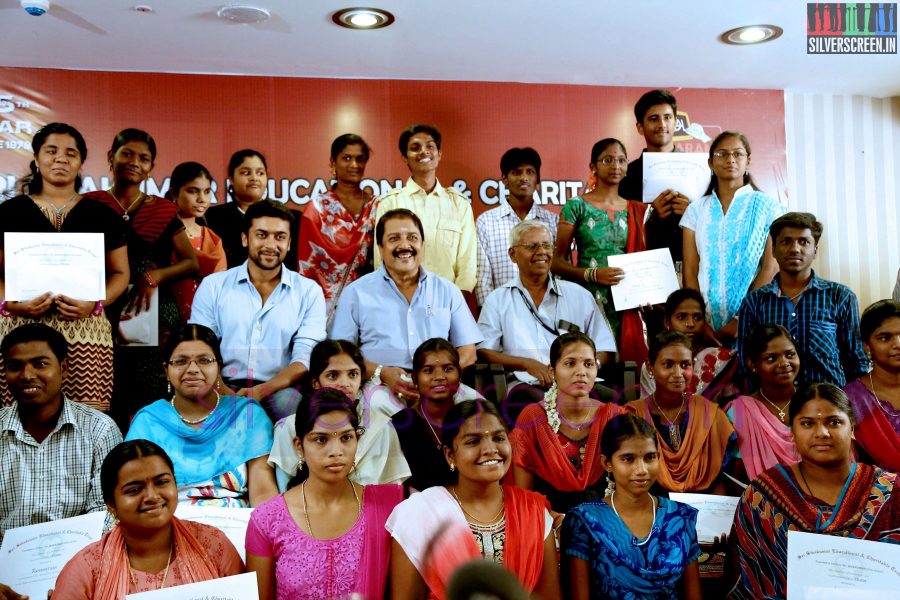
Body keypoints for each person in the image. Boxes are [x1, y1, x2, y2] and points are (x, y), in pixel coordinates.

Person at [0, 122, 129, 411]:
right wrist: (11, 304)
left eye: (71, 153)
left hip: (85, 330)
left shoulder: (103, 214)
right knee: (19, 418)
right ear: (36, 159)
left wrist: (95, 304)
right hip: (20, 327)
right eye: (51, 151)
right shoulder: (8, 212)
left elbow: (121, 273)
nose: (61, 158)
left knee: (86, 419)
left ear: (81, 161)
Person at [728, 383, 900, 600]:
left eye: (834, 422)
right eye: (807, 423)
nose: (822, 433)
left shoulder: (890, 492)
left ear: (853, 429)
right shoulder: (763, 497)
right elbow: (753, 582)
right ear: (793, 431)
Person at [386, 400, 561, 600]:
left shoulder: (533, 512)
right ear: (450, 455)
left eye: (499, 438)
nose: (490, 449)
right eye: (473, 441)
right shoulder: (419, 515)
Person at [83, 128, 199, 423]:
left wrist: (156, 276)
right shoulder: (89, 205)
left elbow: (191, 263)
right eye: (127, 154)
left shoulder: (161, 210)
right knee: (104, 389)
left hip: (152, 309)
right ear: (111, 158)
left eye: (144, 158)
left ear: (151, 167)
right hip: (100, 307)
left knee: (148, 392)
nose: (135, 162)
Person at [245, 389, 403, 600]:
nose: (336, 451)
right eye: (321, 439)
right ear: (299, 446)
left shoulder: (387, 510)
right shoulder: (267, 520)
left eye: (346, 437)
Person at [51, 440, 243, 599]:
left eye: (162, 482)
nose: (152, 496)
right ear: (111, 504)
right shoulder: (87, 569)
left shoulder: (213, 545)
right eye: (134, 490)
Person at [190, 200, 327, 421]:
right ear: (245, 238)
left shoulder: (308, 292)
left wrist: (261, 391)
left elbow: (305, 358)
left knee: (289, 405)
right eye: (262, 235)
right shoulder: (214, 286)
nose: (271, 245)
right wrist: (224, 391)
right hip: (218, 383)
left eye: (280, 237)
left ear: (290, 243)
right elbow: (201, 348)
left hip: (278, 388)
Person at [330, 208, 482, 406]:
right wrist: (381, 372)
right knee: (383, 415)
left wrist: (440, 378)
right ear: (380, 248)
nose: (405, 245)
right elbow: (342, 355)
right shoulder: (356, 293)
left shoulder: (447, 290)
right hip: (381, 384)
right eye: (394, 238)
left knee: (481, 413)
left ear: (422, 245)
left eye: (412, 237)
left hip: (443, 385)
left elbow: (468, 351)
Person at [478, 220, 616, 424]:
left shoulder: (579, 295)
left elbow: (605, 348)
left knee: (611, 404)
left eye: (546, 245)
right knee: (534, 408)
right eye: (532, 246)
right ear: (513, 255)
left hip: (579, 383)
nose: (541, 251)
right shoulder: (498, 299)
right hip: (527, 384)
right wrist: (526, 364)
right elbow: (484, 351)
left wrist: (587, 367)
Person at [125, 324, 277, 507]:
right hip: (169, 525)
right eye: (181, 361)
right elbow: (137, 494)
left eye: (204, 360)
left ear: (218, 367)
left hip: (238, 525)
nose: (192, 369)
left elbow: (263, 493)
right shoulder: (148, 422)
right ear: (166, 370)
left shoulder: (247, 416)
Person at [0, 323, 122, 545]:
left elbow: (108, 510)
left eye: (40, 364)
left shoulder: (99, 430)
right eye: (15, 366)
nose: (27, 375)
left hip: (84, 562)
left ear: (63, 369)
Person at [562, 414, 702, 600]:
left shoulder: (681, 517)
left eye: (649, 457)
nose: (641, 469)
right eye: (628, 459)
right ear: (607, 463)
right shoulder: (585, 522)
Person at [738, 212, 868, 388]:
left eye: (803, 242)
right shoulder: (754, 302)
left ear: (815, 250)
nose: (795, 249)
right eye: (786, 241)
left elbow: (856, 362)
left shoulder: (840, 297)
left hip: (828, 404)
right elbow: (746, 364)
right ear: (774, 249)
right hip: (773, 407)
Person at [552, 138, 649, 363]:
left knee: (627, 367)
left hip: (628, 300)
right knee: (591, 363)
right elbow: (556, 263)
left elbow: (645, 260)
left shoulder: (637, 210)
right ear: (593, 167)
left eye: (621, 160)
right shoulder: (576, 206)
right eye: (608, 160)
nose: (615, 166)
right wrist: (592, 274)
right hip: (588, 298)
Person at [268, 339, 410, 491]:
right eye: (333, 376)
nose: (345, 383)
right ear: (316, 383)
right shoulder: (288, 428)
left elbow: (393, 491)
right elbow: (284, 495)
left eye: (353, 374)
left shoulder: (382, 426)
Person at [681, 130, 782, 342]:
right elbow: (690, 270)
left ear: (748, 161)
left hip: (755, 315)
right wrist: (699, 320)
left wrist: (741, 318)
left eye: (738, 154)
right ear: (710, 163)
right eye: (722, 154)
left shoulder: (768, 207)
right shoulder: (696, 210)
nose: (730, 160)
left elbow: (770, 268)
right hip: (705, 324)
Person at [511, 332, 626, 513]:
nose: (581, 372)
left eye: (588, 364)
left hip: (605, 523)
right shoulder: (533, 418)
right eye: (570, 363)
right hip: (548, 523)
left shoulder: (613, 417)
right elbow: (523, 495)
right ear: (552, 371)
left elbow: (627, 487)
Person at [627, 331, 736, 494]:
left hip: (705, 508)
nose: (678, 374)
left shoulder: (711, 414)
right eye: (668, 364)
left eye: (685, 365)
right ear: (650, 367)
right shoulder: (633, 415)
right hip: (651, 507)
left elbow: (720, 479)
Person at [374, 124, 477, 293]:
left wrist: (456, 301)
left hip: (448, 300)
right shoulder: (389, 203)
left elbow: (468, 263)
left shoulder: (460, 204)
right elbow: (381, 260)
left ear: (439, 154)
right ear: (405, 158)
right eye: (415, 148)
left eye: (430, 146)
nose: (423, 152)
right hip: (400, 298)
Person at [297, 134, 379, 322]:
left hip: (370, 303)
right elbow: (308, 266)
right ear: (333, 163)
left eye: (360, 158)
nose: (354, 165)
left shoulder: (377, 206)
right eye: (346, 158)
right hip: (324, 308)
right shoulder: (316, 208)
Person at [390, 338, 482, 492]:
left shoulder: (473, 417)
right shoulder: (399, 424)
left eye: (448, 369)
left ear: (459, 375)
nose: (439, 376)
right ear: (415, 379)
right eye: (428, 370)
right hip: (421, 510)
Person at [474, 147, 559, 305]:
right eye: (516, 172)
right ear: (505, 179)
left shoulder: (553, 222)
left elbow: (560, 274)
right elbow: (482, 280)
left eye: (530, 172)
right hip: (502, 313)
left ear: (538, 179)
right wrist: (491, 315)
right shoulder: (486, 222)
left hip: (548, 313)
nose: (524, 178)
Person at [618, 90, 691, 266]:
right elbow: (617, 231)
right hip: (645, 268)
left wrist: (693, 213)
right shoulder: (626, 176)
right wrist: (649, 215)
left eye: (667, 117)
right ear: (640, 127)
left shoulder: (700, 169)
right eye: (653, 119)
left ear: (676, 123)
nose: (662, 124)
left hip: (694, 270)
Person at [725, 324, 800, 482]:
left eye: (790, 354)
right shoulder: (740, 412)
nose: (784, 363)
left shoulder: (815, 404)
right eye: (771, 358)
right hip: (762, 500)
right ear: (753, 364)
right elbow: (736, 474)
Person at [205, 149, 300, 270]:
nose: (254, 178)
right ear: (231, 179)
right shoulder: (212, 218)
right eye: (246, 173)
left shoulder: (289, 218)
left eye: (260, 173)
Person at [639, 289, 737, 401]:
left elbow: (730, 408)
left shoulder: (721, 360)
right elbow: (647, 410)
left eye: (697, 318)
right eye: (681, 317)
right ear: (667, 322)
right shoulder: (653, 364)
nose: (690, 324)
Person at [843, 299, 900, 472]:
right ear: (867, 346)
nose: (898, 344)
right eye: (885, 338)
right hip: (877, 493)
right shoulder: (850, 399)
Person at [166, 161, 227, 322]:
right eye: (193, 191)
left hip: (207, 322)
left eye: (207, 192)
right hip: (164, 321)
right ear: (174, 193)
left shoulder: (212, 238)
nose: (202, 199)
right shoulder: (161, 232)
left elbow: (221, 289)